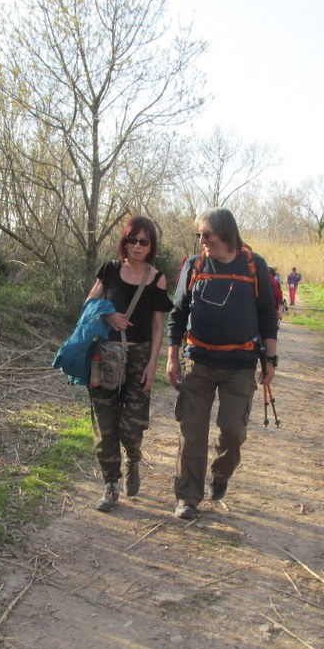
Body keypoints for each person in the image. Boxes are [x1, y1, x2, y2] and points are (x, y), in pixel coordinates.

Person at [166, 208, 279, 520]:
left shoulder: (255, 266)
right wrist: (172, 356)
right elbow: (177, 314)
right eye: (199, 235)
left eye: (207, 235)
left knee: (232, 433)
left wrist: (270, 359)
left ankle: (220, 475)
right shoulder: (194, 265)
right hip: (198, 363)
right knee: (192, 433)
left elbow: (268, 315)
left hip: (240, 366)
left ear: (227, 234)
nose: (202, 240)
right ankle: (188, 497)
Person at [85, 216, 173, 512]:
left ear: (151, 246)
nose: (137, 245)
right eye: (132, 240)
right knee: (105, 424)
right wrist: (108, 315)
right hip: (106, 355)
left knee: (131, 427)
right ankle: (111, 485)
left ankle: (133, 457)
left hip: (139, 358)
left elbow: (159, 326)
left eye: (143, 241)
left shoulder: (157, 278)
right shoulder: (110, 270)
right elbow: (89, 302)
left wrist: (152, 364)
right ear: (124, 241)